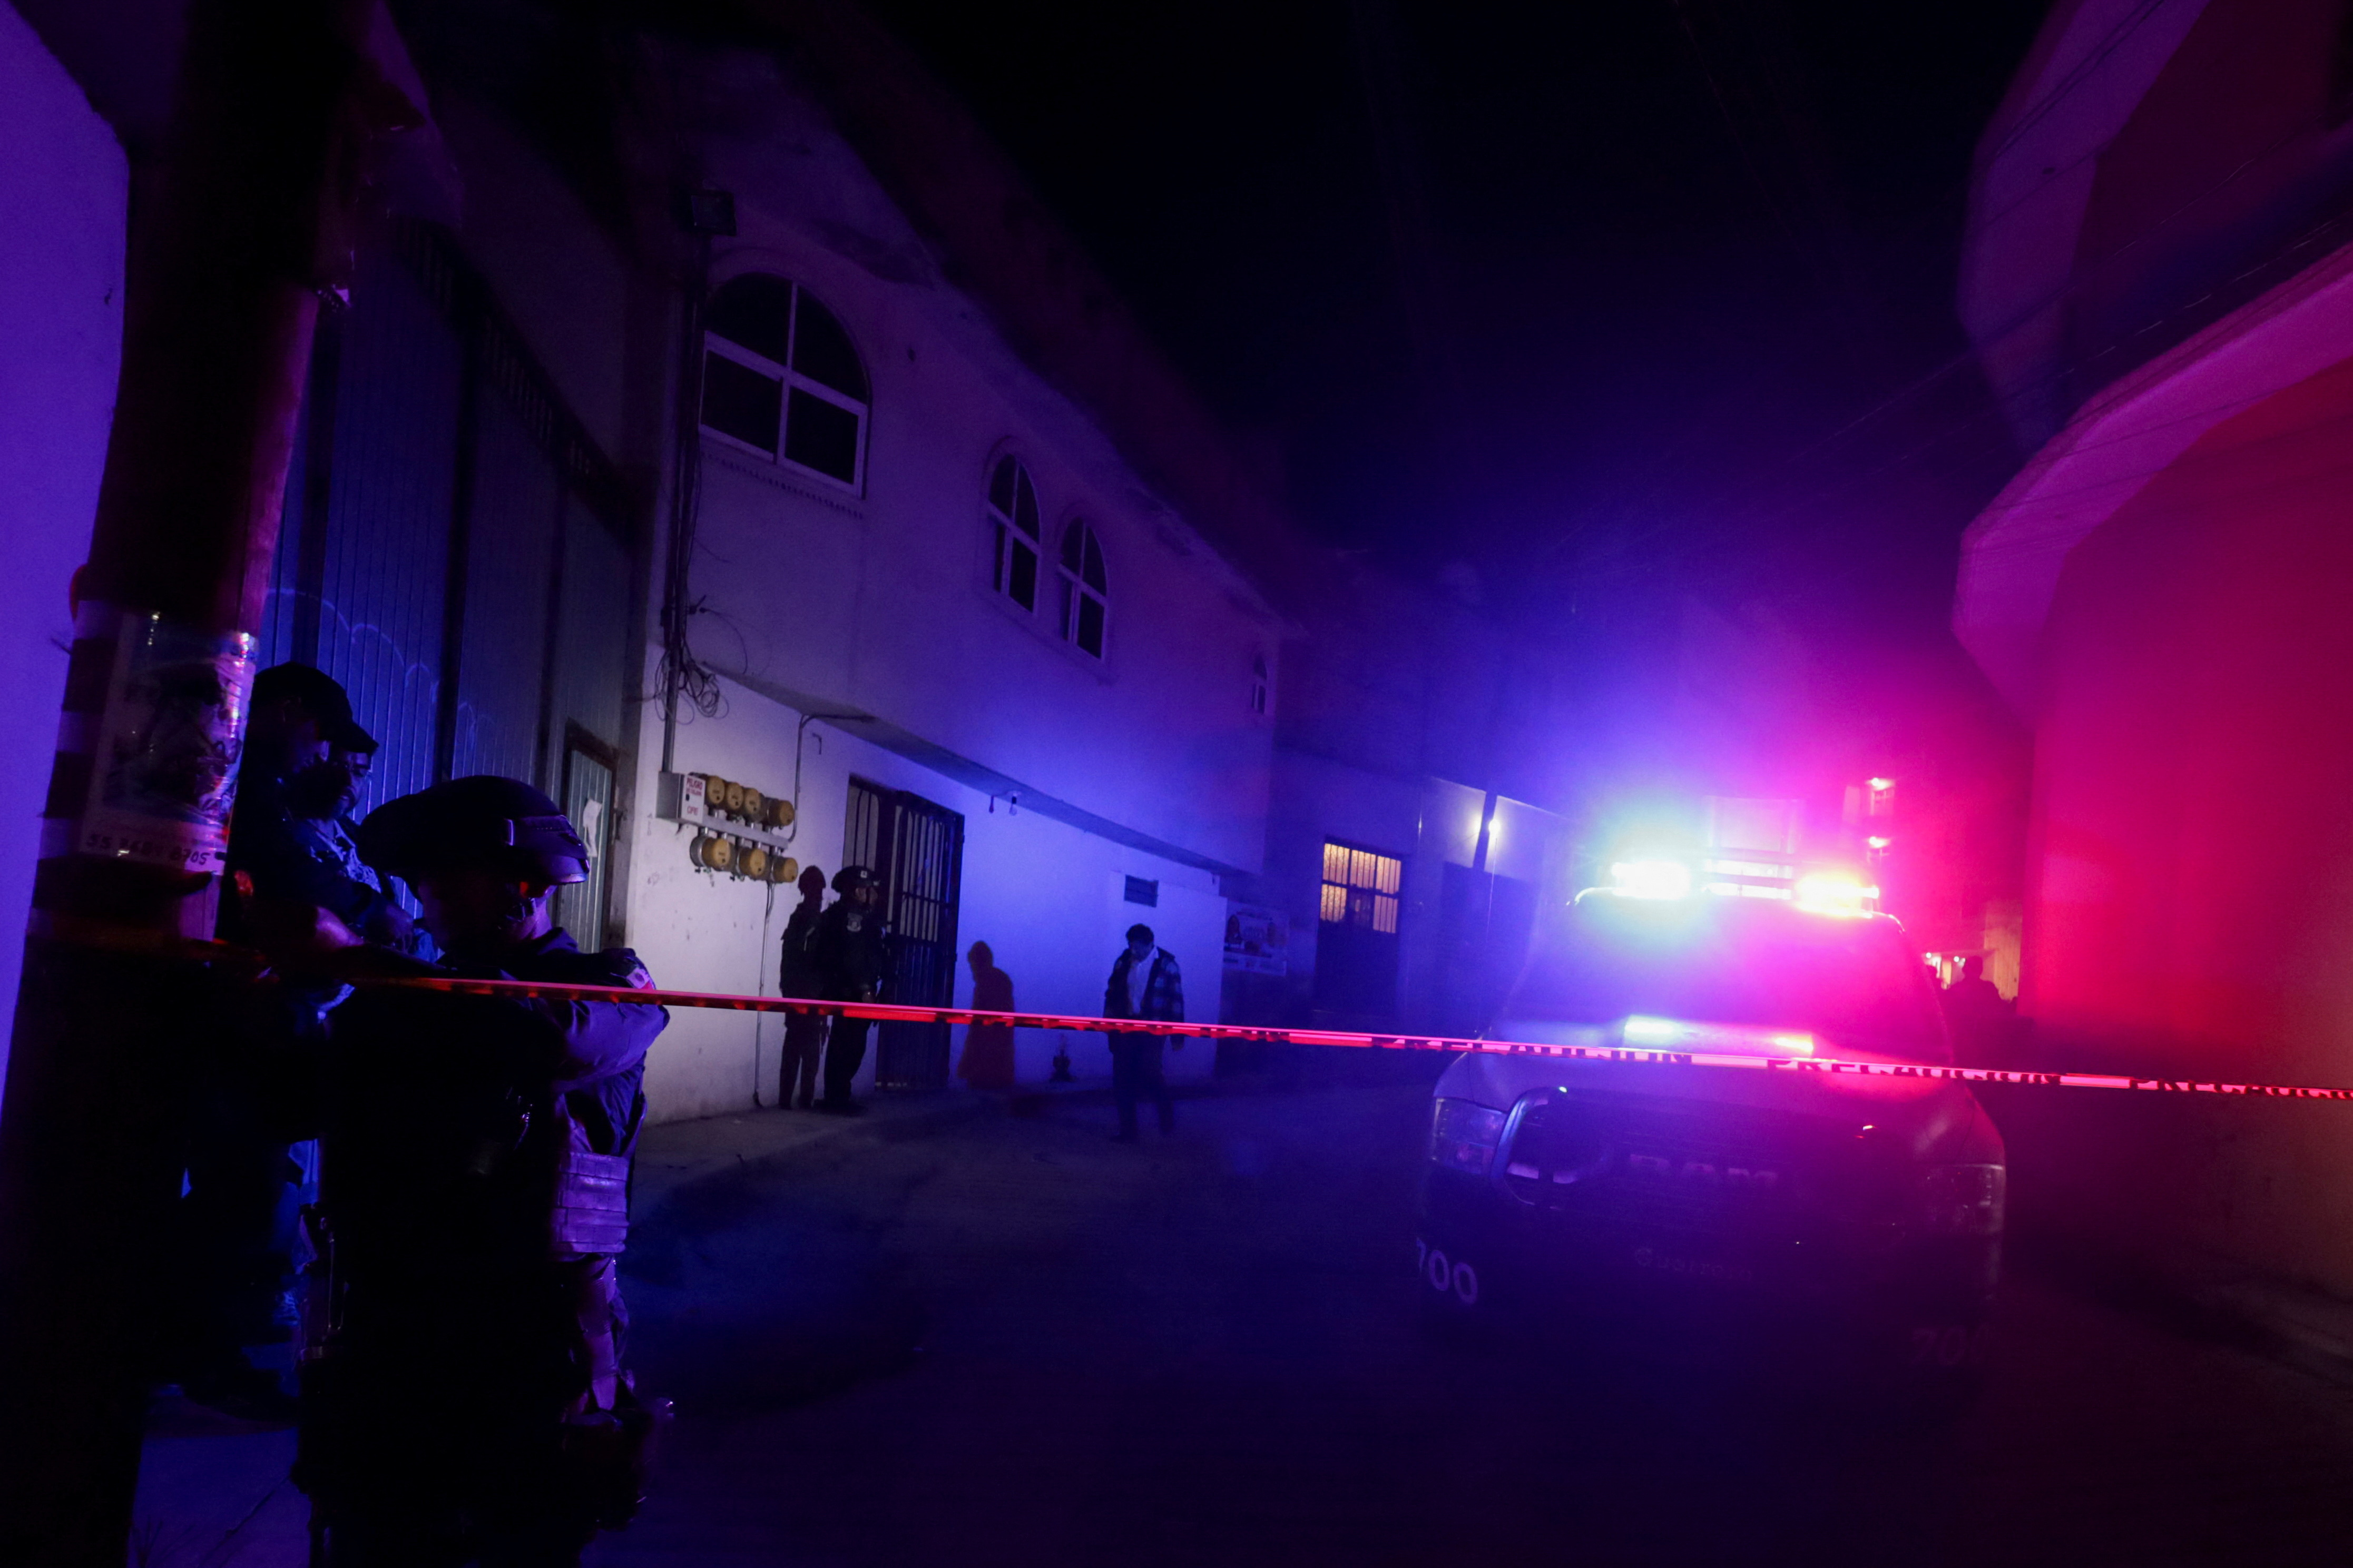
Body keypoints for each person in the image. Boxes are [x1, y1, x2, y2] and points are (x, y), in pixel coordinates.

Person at [291, 776, 669, 1565]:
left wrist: (364, 963)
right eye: (420, 882)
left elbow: (545, 1043)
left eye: (446, 877)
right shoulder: (402, 1003)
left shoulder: (610, 996)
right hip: (392, 1350)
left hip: (529, 1359)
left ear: (521, 884)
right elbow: (293, 1103)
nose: (427, 901)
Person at [172, 664, 407, 1421]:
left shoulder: (281, 811)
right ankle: (200, 1354)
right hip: (232, 1032)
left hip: (255, 1032)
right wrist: (366, 912)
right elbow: (293, 890)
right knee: (239, 1194)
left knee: (251, 1192)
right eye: (320, 739)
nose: (323, 758)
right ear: (289, 712)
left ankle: (195, 1345)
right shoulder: (249, 804)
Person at [810, 865, 890, 1113]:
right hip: (851, 992)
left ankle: (839, 1096)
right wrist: (866, 989)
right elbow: (853, 958)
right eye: (870, 891)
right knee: (847, 1045)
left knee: (850, 1045)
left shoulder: (856, 916)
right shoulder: (851, 919)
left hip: (853, 990)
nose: (875, 896)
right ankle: (836, 1099)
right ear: (858, 892)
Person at [1102, 923, 1184, 1141]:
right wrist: (1109, 1023)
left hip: (1153, 1029)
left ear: (1149, 944)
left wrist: (1177, 1036)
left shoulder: (1168, 966)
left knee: (1150, 1073)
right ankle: (1128, 1130)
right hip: (1126, 1026)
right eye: (1130, 945)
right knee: (1122, 1077)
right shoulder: (1123, 962)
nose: (1133, 950)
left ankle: (1166, 1119)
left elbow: (1175, 1001)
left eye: (1137, 946)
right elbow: (1112, 993)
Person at [776, 864, 831, 1109]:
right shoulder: (808, 921)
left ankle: (792, 1100)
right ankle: (798, 1100)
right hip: (806, 992)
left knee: (800, 1047)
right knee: (804, 1048)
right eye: (815, 891)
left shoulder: (805, 920)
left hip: (805, 991)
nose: (817, 896)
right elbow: (795, 959)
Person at [957, 941, 1017, 1091]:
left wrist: (969, 1063)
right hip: (1000, 1059)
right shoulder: (1000, 980)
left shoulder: (985, 983)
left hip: (985, 1059)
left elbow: (978, 1026)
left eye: (973, 964)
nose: (972, 969)